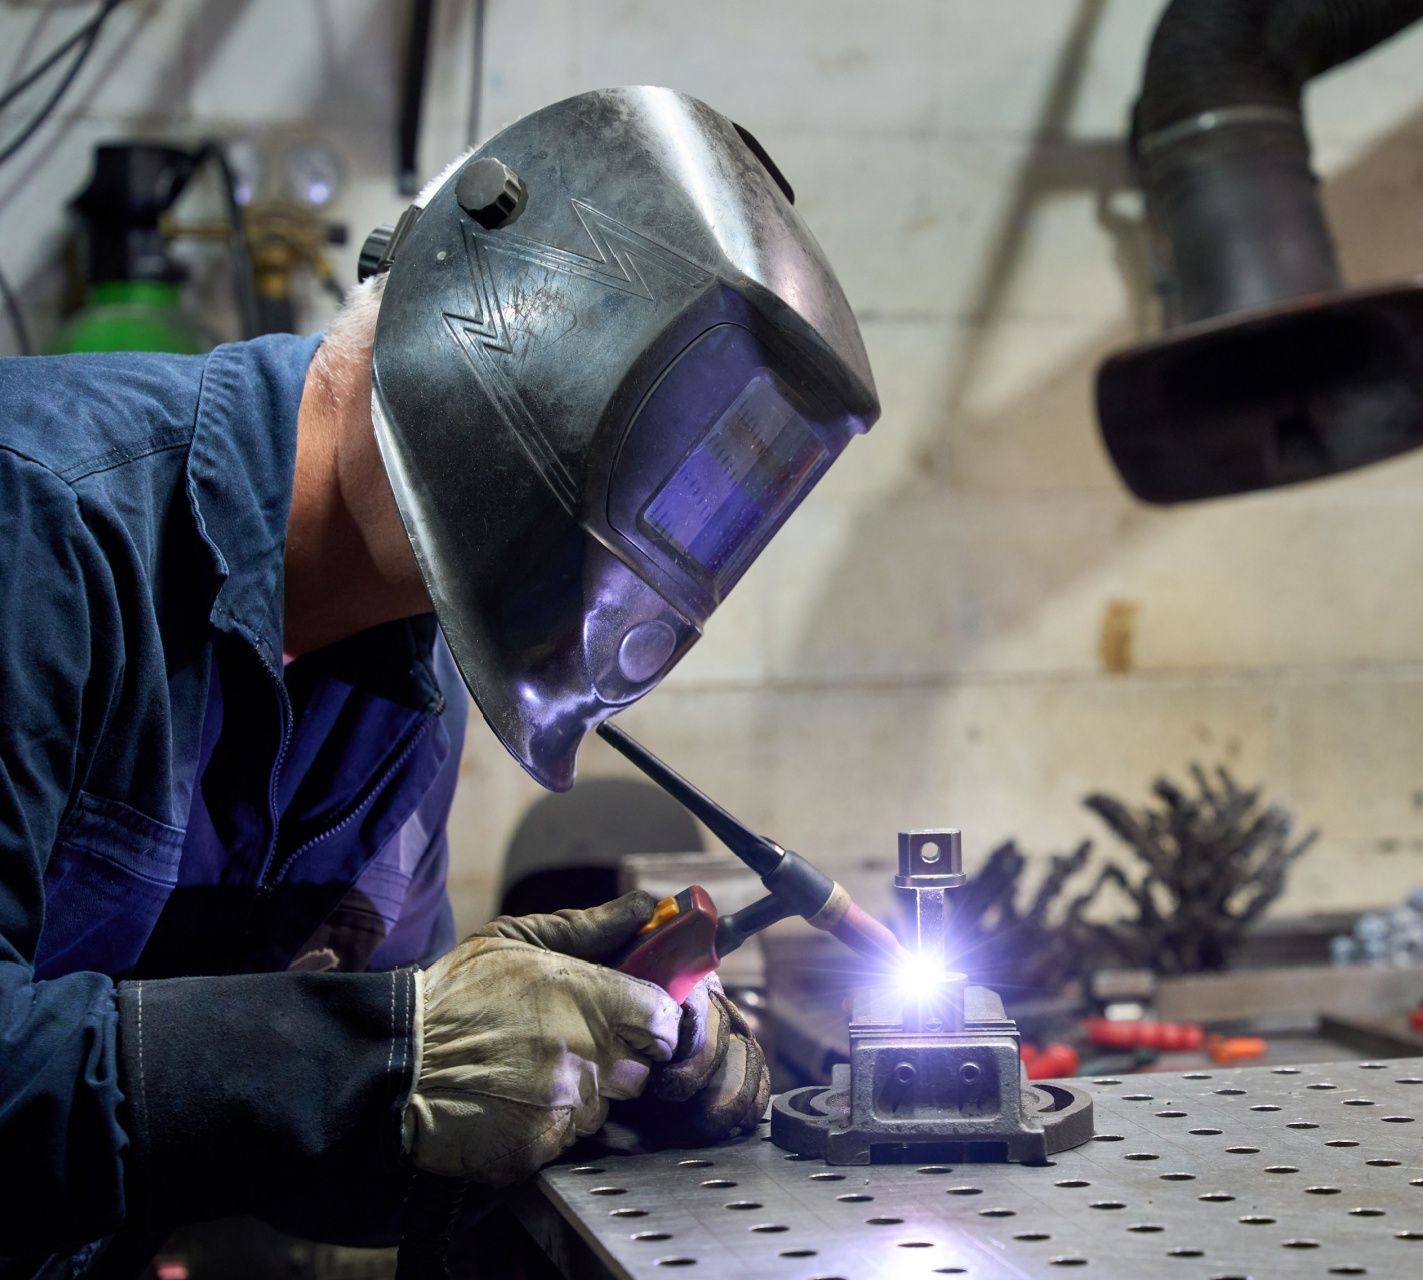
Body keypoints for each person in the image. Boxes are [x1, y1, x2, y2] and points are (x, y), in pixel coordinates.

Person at [0, 87, 878, 1274]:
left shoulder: (411, 683)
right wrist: (386, 1049)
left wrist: (583, 1081)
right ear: (478, 314)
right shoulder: (43, 519)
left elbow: (305, 1142)